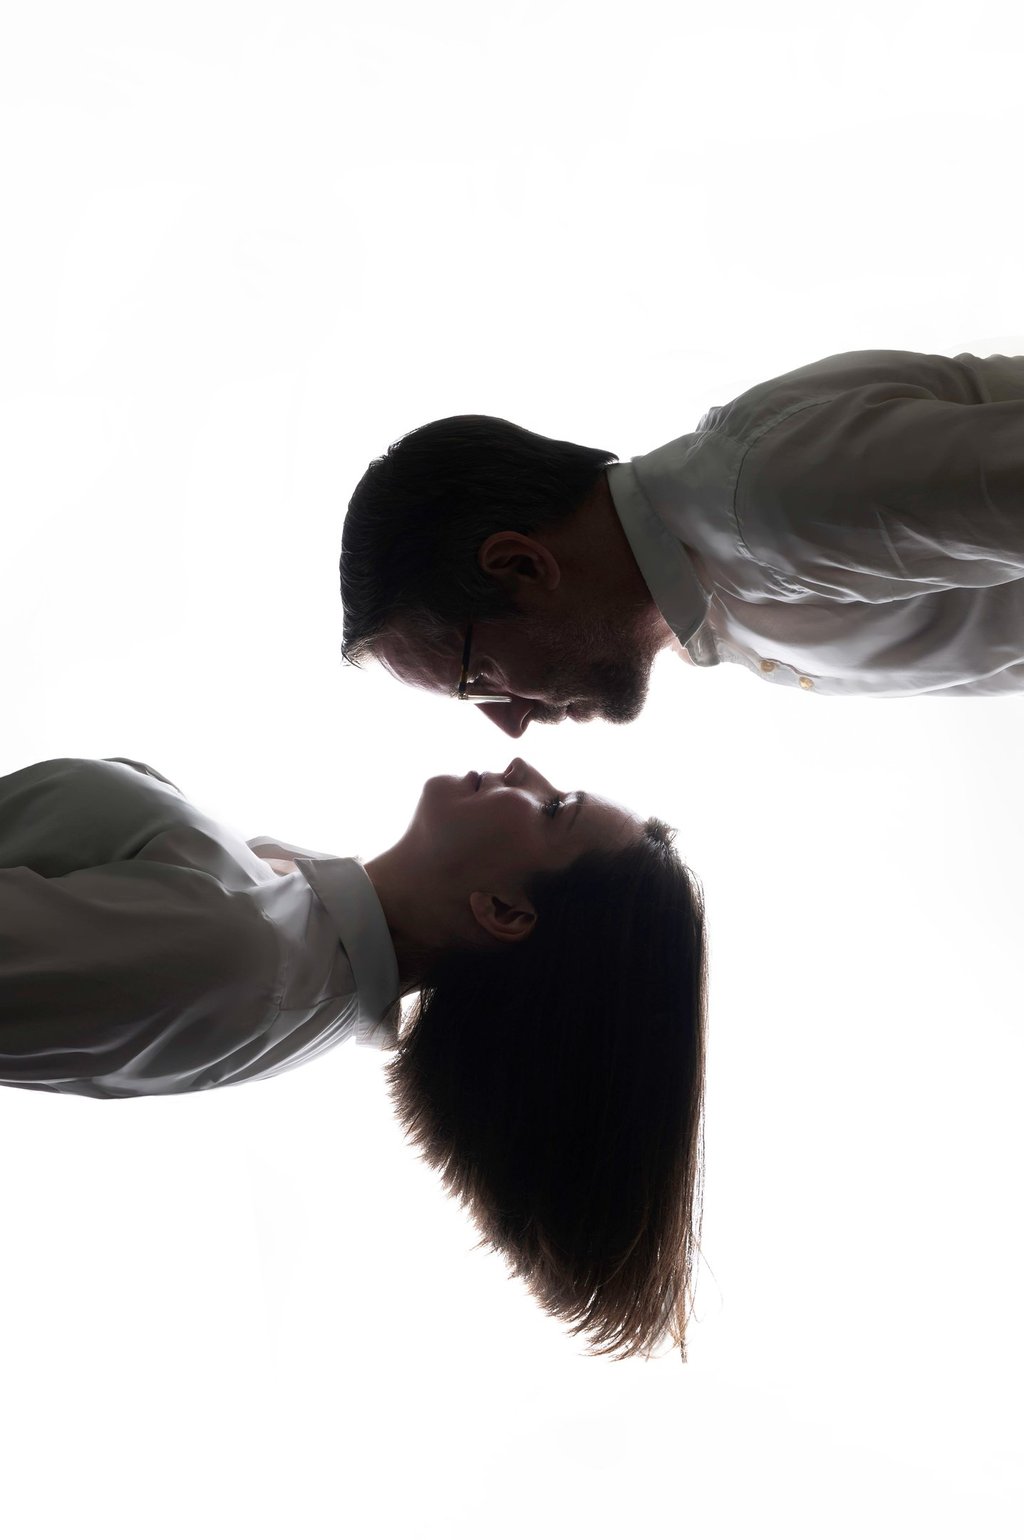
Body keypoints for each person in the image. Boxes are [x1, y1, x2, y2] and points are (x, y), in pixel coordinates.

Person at [0, 753, 706, 1361]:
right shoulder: (292, 925)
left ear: (504, 910)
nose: (525, 767)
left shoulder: (248, 960)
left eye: (553, 810)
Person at [339, 348, 1024, 736]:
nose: (510, 725)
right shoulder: (726, 599)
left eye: (479, 679)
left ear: (521, 564)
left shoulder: (772, 503)